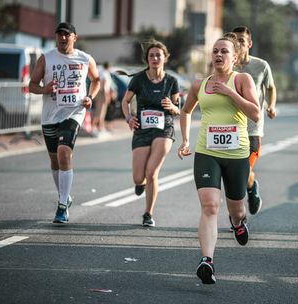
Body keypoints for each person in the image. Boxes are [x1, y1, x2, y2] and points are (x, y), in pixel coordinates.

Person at [177, 34, 260, 284]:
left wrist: (229, 92)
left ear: (235, 57)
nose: (218, 55)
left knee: (237, 208)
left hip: (236, 154)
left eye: (224, 51)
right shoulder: (199, 85)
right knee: (210, 206)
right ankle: (207, 261)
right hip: (207, 152)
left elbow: (255, 113)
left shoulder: (242, 79)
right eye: (215, 51)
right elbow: (185, 111)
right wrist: (185, 141)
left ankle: (237, 222)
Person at [29, 22, 101, 223]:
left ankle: (62, 206)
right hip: (50, 116)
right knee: (55, 161)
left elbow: (96, 80)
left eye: (66, 35)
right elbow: (32, 84)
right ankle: (65, 196)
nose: (62, 39)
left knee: (63, 152)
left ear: (74, 38)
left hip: (74, 113)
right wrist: (45, 90)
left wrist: (90, 97)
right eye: (59, 35)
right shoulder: (47, 58)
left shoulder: (85, 59)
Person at [121, 40, 180, 227]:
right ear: (147, 59)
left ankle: (148, 213)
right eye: (151, 55)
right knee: (139, 177)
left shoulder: (172, 81)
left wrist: (172, 107)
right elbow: (125, 102)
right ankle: (141, 183)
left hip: (164, 128)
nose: (155, 58)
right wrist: (129, 118)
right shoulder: (138, 79)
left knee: (152, 171)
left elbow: (179, 109)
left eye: (158, 55)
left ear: (165, 58)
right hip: (142, 129)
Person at [231, 26, 277, 215]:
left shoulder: (261, 66)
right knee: (234, 175)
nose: (239, 43)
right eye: (235, 40)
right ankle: (250, 188)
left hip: (252, 129)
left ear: (249, 44)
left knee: (242, 171)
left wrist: (271, 105)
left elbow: (271, 88)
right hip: (230, 128)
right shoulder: (227, 65)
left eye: (242, 40)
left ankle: (237, 213)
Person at [92, 61, 113, 136]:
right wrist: (106, 96)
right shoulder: (104, 73)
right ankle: (94, 127)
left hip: (100, 93)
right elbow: (104, 85)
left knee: (100, 112)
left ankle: (100, 127)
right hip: (102, 94)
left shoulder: (102, 72)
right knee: (100, 112)